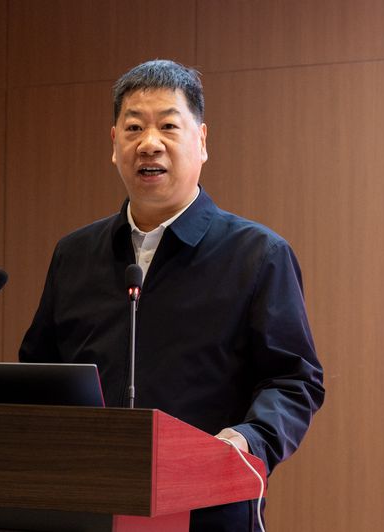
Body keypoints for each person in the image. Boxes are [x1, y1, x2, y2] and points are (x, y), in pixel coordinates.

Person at [19, 59, 324, 532]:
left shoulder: (257, 254)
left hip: (206, 509)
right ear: (114, 143)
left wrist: (248, 438)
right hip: (86, 506)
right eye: (133, 128)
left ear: (201, 141)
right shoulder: (75, 254)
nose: (149, 143)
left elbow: (294, 380)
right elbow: (40, 373)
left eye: (168, 126)